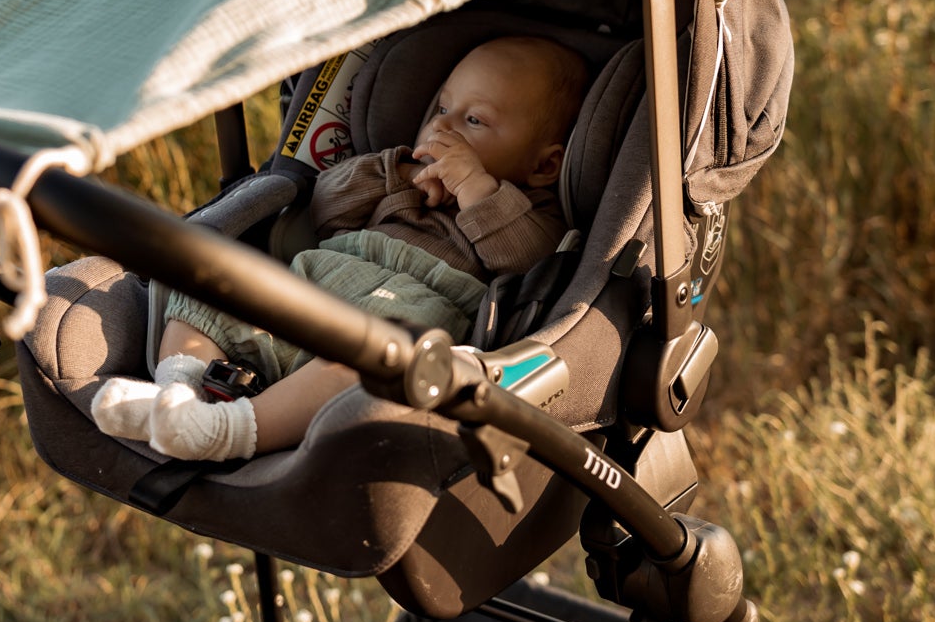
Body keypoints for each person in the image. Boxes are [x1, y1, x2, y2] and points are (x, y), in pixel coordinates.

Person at [91, 35, 587, 463]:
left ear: (545, 165)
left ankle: (228, 431)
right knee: (210, 288)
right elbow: (326, 207)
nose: (443, 127)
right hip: (314, 284)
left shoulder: (536, 213)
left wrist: (476, 189)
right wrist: (398, 175)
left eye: (475, 120)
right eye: (441, 108)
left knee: (370, 368)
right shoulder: (399, 175)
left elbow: (527, 268)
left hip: (400, 321)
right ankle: (177, 391)